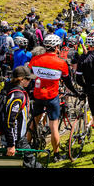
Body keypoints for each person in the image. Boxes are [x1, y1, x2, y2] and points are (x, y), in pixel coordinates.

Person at [28, 34, 74, 163]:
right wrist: (76, 92)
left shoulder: (35, 59)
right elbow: (68, 82)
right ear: (57, 47)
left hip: (38, 95)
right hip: (52, 97)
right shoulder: (61, 63)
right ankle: (56, 154)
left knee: (34, 122)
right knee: (53, 126)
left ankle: (26, 149)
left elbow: (29, 76)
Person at [4, 66, 42, 168]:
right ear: (21, 79)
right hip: (17, 139)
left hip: (18, 137)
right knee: (34, 165)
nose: (30, 81)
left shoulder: (13, 90)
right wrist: (11, 144)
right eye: (28, 79)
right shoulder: (17, 96)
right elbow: (9, 121)